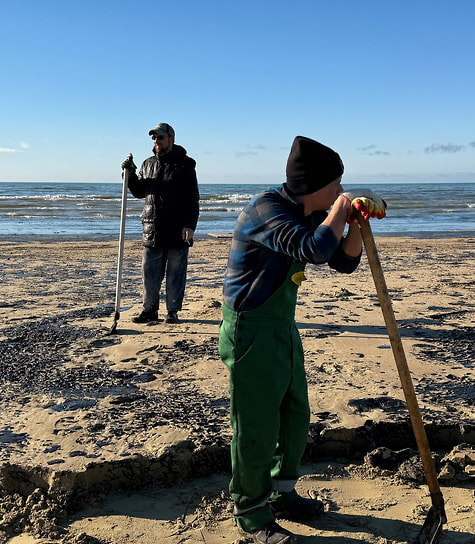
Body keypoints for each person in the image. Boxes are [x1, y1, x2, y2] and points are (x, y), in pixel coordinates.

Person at [219, 136, 369, 543]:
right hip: (250, 328)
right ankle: (251, 512)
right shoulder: (266, 210)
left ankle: (281, 493)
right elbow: (313, 249)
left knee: (294, 415)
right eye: (336, 184)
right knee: (256, 423)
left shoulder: (310, 211)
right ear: (314, 185)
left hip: (282, 324)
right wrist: (341, 208)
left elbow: (342, 261)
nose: (340, 190)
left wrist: (355, 226)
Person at [120, 122, 199, 324]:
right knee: (150, 273)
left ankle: (172, 311)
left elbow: (192, 198)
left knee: (175, 273)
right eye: (154, 138)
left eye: (160, 137)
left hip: (177, 228)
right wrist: (129, 175)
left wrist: (189, 225)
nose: (156, 141)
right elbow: (140, 192)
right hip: (152, 227)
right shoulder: (147, 164)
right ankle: (149, 310)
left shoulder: (185, 164)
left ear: (171, 139)